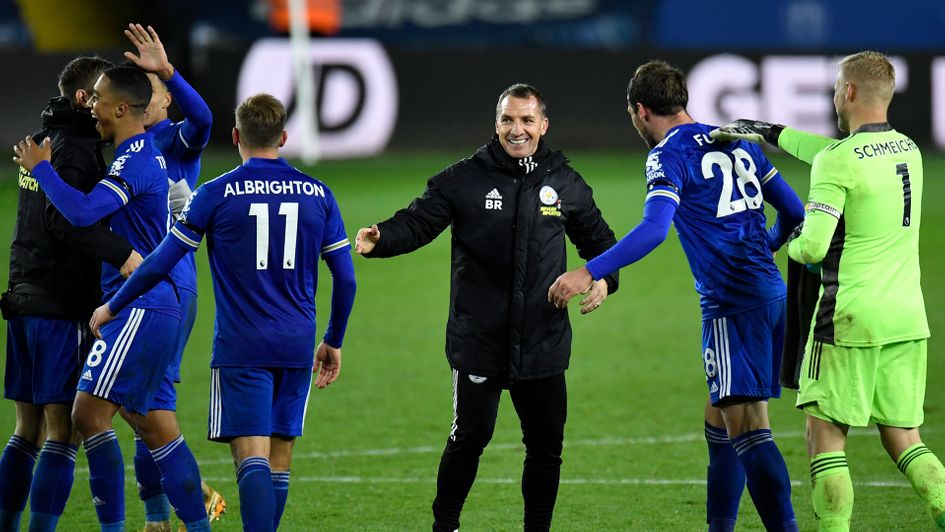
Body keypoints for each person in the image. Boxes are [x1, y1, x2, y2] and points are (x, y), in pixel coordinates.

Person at [550, 61, 804, 531]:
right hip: (770, 294)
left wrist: (589, 270)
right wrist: (765, 245)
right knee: (720, 418)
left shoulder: (667, 155)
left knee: (750, 428)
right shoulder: (736, 141)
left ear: (641, 111)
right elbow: (793, 211)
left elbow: (654, 229)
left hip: (731, 303)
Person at [355, 83, 619, 532]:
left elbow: (602, 243)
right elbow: (417, 221)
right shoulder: (465, 178)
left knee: (546, 448)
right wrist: (382, 237)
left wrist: (603, 279)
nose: (517, 130)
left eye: (527, 120)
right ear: (496, 124)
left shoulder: (564, 181)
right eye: (508, 120)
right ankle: (446, 527)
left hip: (542, 341)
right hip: (480, 340)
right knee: (469, 438)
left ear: (543, 125)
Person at [88, 93, 356, 532]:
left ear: (235, 137)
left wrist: (113, 304)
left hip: (241, 344)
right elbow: (346, 279)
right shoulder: (319, 194)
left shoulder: (215, 193)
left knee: (250, 455)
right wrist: (334, 339)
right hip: (296, 342)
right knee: (279, 457)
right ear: (283, 137)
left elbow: (159, 262)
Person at [711, 51, 945, 531]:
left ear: (850, 92)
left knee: (825, 439)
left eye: (837, 87)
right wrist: (774, 133)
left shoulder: (836, 163)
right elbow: (841, 156)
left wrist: (789, 242)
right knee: (906, 438)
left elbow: (814, 246)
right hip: (906, 317)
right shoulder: (909, 149)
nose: (834, 95)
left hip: (848, 318)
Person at [12, 65, 210, 532]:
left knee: (87, 414)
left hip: (140, 304)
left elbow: (82, 212)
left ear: (121, 109)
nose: (91, 109)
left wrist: (42, 169)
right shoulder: (138, 153)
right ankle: (191, 524)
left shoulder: (135, 158)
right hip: (153, 301)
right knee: (155, 426)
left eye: (98, 100)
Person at [0, 56, 141, 532]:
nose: (104, 104)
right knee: (63, 434)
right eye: (99, 95)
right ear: (84, 98)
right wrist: (122, 253)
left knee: (27, 430)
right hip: (59, 305)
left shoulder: (44, 138)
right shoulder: (77, 146)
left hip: (24, 296)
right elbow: (64, 222)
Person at [120, 23, 226, 531]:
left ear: (164, 101)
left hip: (167, 283)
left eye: (154, 89)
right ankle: (171, 509)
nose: (147, 99)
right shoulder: (127, 145)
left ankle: (162, 516)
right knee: (141, 405)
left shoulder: (174, 141)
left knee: (143, 404)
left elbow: (203, 118)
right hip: (136, 286)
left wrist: (169, 71)